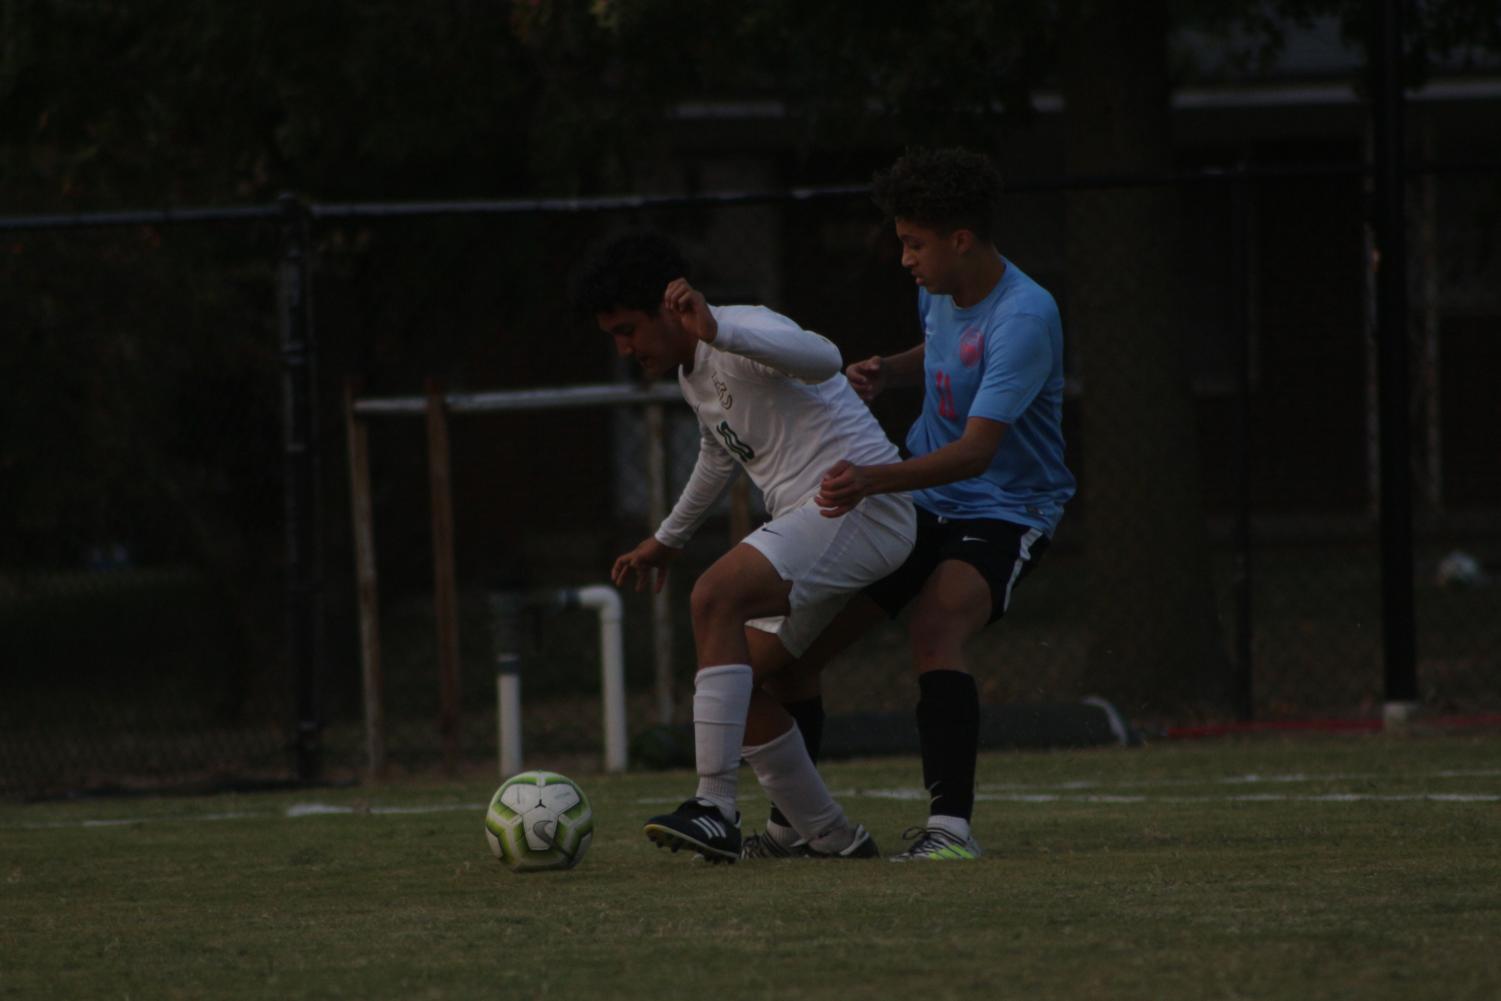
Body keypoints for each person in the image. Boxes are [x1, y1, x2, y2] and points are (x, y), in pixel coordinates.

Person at [753, 145, 1076, 861]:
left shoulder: (1024, 314)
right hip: (919, 496)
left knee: (934, 626)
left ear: (960, 239)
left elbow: (975, 451)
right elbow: (940, 348)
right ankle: (793, 826)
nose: (904, 258)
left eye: (913, 243)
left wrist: (870, 478)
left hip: (1004, 506)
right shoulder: (939, 289)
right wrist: (888, 370)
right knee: (795, 652)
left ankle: (950, 832)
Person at [576, 232, 917, 863]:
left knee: (714, 597)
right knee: (742, 683)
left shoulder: (738, 328)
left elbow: (823, 357)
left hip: (862, 507)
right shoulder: (690, 375)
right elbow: (717, 453)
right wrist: (666, 539)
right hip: (818, 520)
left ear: (667, 307)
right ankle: (834, 838)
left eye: (629, 330)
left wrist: (718, 331)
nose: (625, 349)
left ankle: (713, 807)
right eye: (614, 338)